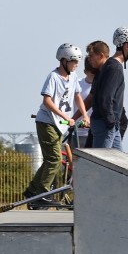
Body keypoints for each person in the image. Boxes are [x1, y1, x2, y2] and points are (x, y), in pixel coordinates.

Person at [23, 44, 88, 208]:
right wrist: (65, 117)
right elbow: (47, 100)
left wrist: (85, 115)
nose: (76, 64)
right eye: (74, 61)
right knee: (54, 159)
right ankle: (43, 193)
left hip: (59, 124)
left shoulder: (73, 77)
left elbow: (77, 96)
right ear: (64, 61)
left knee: (50, 159)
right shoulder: (53, 77)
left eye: (77, 61)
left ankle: (32, 191)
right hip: (47, 122)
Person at [88, 27, 128, 150]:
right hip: (106, 124)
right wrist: (110, 122)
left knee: (118, 164)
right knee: (102, 164)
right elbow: (105, 97)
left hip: (110, 124)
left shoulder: (110, 65)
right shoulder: (114, 68)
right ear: (126, 46)